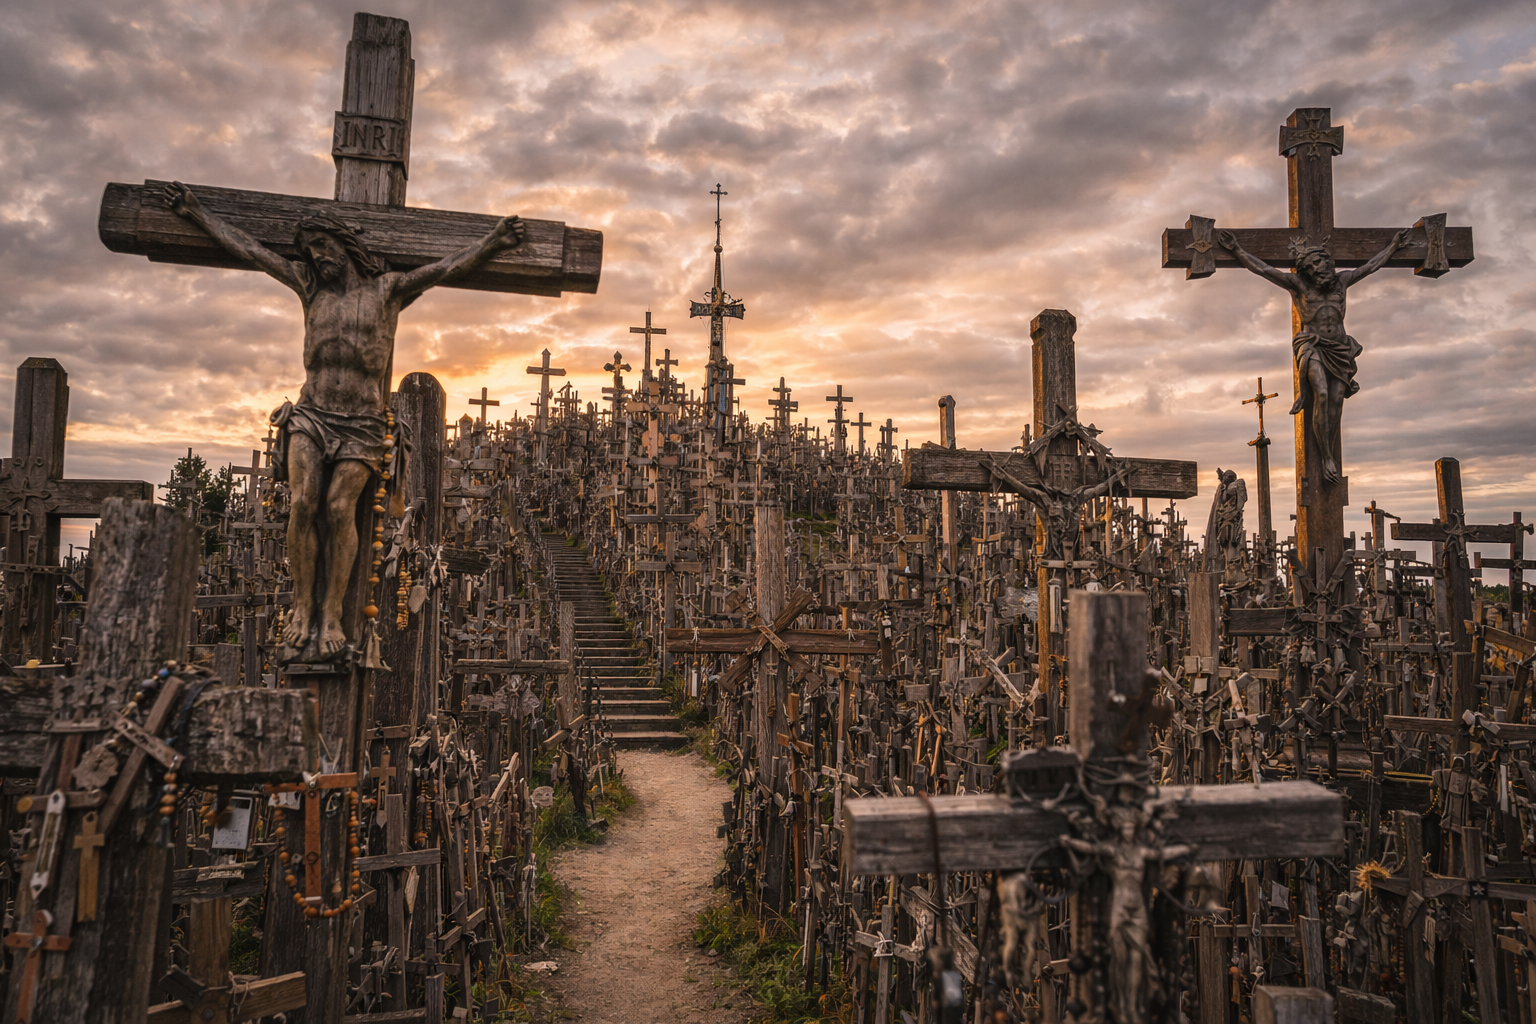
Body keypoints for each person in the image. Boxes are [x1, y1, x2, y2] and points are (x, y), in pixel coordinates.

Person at [160, 182, 526, 659]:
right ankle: (302, 609)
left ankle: (332, 612)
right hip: (311, 414)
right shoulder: (310, 288)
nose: (316, 258)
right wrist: (196, 214)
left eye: (323, 248)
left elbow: (443, 268)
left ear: (344, 244)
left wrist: (493, 241)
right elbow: (249, 249)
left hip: (362, 422)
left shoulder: (388, 290)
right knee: (302, 503)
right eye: (309, 252)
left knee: (338, 509)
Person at [1217, 228, 1409, 483]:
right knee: (1321, 393)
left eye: (1324, 262)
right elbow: (1264, 269)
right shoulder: (1298, 285)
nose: (1322, 268)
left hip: (1340, 348)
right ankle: (1327, 456)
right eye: (1315, 264)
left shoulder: (1342, 281)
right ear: (1306, 269)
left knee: (1337, 399)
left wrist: (1394, 246)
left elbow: (1371, 266)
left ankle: (1328, 450)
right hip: (1312, 346)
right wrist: (1237, 250)